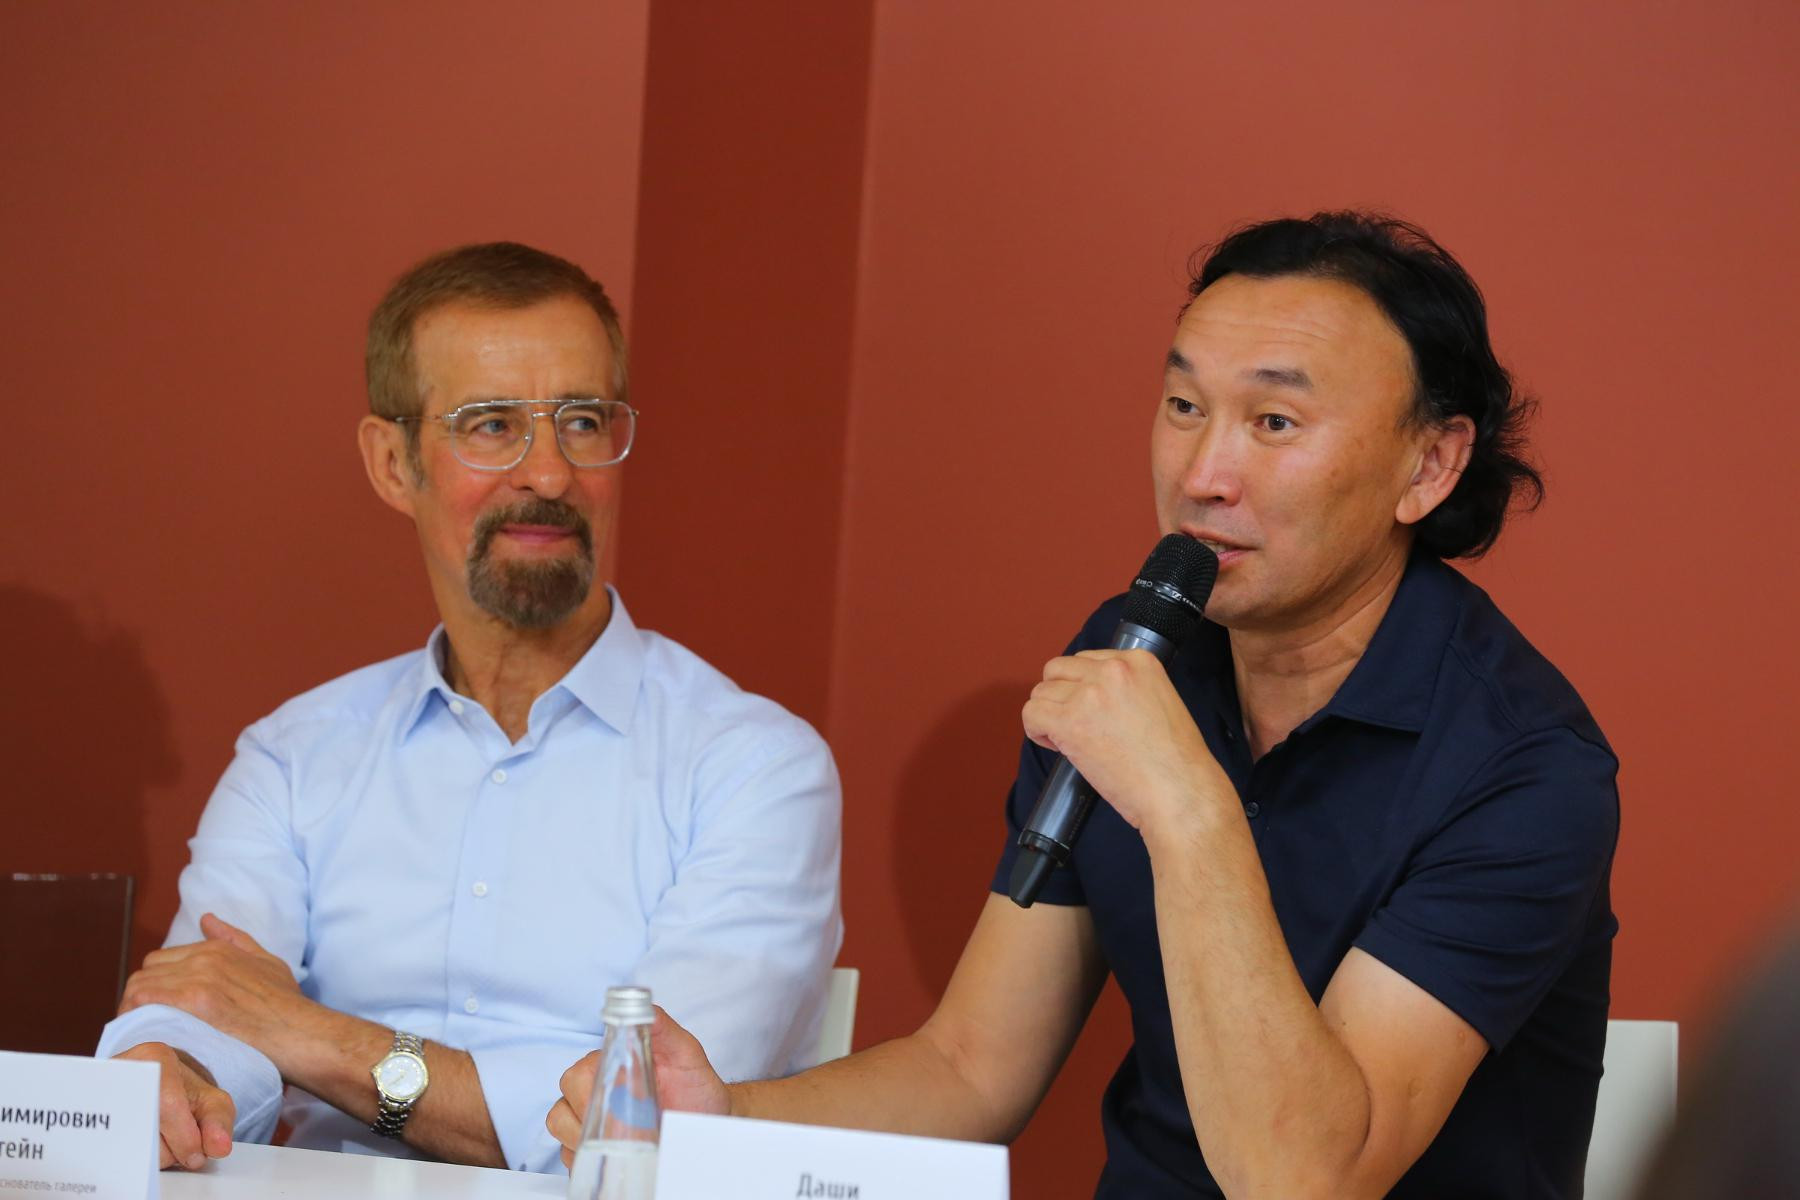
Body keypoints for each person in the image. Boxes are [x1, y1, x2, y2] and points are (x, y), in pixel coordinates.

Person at [549, 211, 1621, 1198]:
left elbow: (1303, 1181)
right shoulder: (1138, 650)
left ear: (1430, 465)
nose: (1205, 473)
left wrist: (1186, 806)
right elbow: (970, 1066)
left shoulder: (1526, 769)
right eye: (1185, 407)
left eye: (1275, 421)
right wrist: (723, 1125)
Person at [96, 242, 842, 1174]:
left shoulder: (755, 769)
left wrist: (307, 1035)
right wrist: (174, 1068)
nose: (550, 474)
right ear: (391, 463)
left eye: (582, 421)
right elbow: (203, 1009)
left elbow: (634, 1118)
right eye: (491, 425)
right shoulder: (294, 758)